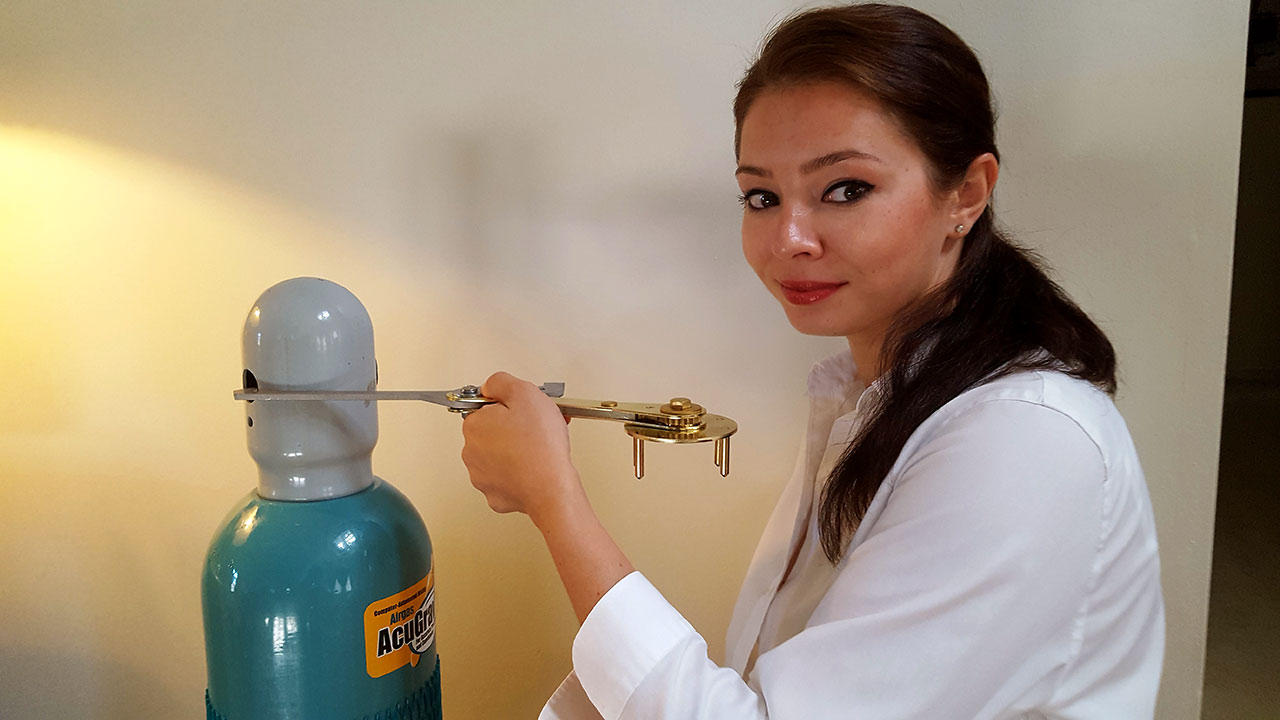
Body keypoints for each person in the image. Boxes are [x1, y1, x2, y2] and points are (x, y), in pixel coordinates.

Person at [460, 4, 1165, 718]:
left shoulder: (1023, 444)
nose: (789, 237)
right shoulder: (877, 393)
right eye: (761, 196)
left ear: (967, 193)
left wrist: (556, 502)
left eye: (845, 189)